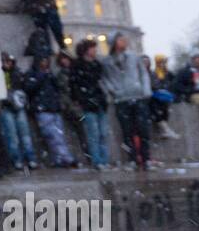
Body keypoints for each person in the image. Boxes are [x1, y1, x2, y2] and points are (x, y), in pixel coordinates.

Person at [101, 32, 152, 169]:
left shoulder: (134, 57)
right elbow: (104, 79)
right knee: (127, 131)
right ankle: (133, 159)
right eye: (120, 40)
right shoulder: (107, 61)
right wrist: (113, 90)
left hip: (138, 96)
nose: (124, 42)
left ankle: (146, 158)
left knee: (143, 129)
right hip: (121, 99)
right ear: (114, 43)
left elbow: (143, 73)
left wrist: (145, 90)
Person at [24, 55, 77, 168]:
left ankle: (58, 159)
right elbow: (29, 88)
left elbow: (57, 88)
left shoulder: (50, 74)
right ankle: (65, 157)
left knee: (58, 135)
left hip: (53, 108)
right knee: (52, 135)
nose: (45, 62)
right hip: (43, 108)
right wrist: (42, 76)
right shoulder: (33, 74)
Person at [70, 39, 111, 169]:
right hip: (88, 103)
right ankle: (97, 161)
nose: (95, 51)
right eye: (93, 48)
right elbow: (73, 85)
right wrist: (82, 98)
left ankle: (104, 160)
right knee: (93, 133)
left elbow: (101, 82)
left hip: (99, 102)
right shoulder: (77, 65)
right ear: (86, 50)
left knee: (103, 133)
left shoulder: (97, 64)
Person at [0, 52, 37, 172]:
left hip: (17, 106)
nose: (7, 64)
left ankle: (30, 158)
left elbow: (24, 87)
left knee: (24, 135)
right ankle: (16, 159)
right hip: (6, 107)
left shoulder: (16, 73)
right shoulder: (0, 75)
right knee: (12, 135)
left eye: (8, 62)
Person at [55, 50, 88, 161]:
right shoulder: (61, 74)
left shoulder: (76, 71)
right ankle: (83, 156)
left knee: (84, 132)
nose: (65, 61)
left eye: (66, 58)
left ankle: (88, 155)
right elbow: (63, 92)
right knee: (79, 133)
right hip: (71, 108)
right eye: (62, 59)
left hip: (80, 106)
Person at [148, 53, 181, 140]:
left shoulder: (168, 73)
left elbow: (175, 83)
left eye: (164, 62)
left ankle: (164, 128)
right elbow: (154, 86)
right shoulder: (154, 73)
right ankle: (164, 128)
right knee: (157, 106)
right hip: (156, 96)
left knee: (166, 106)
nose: (163, 64)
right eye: (161, 62)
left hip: (166, 96)